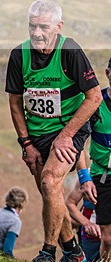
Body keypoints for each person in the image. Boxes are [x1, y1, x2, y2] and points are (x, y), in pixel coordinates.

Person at [6, 0, 101, 262]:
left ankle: (47, 252)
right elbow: (15, 101)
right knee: (52, 194)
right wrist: (26, 144)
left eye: (44, 27)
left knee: (49, 181)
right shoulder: (19, 54)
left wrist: (66, 135)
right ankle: (73, 250)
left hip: (69, 128)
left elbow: (94, 98)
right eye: (32, 26)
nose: (37, 33)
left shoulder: (70, 51)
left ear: (58, 27)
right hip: (35, 134)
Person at [84, 57, 111, 262]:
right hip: (103, 176)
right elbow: (79, 141)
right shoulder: (96, 103)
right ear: (108, 74)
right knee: (108, 238)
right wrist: (84, 174)